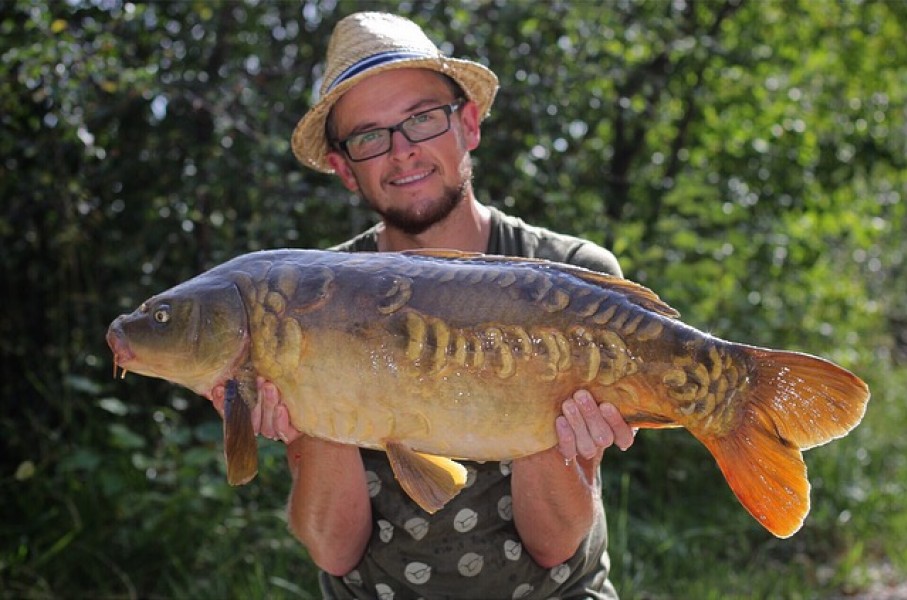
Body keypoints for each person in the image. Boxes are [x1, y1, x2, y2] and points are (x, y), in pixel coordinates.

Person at [212, 11, 635, 599]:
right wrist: (317, 407)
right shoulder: (304, 297)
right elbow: (334, 548)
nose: (402, 151)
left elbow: (555, 544)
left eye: (422, 119)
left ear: (469, 123)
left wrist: (552, 413)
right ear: (343, 167)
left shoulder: (574, 283)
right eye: (368, 136)